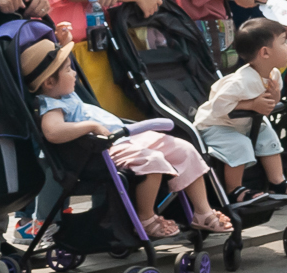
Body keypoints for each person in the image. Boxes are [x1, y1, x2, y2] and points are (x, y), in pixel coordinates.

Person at [29, 25, 234, 237]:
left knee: (184, 148)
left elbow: (57, 70)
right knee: (152, 161)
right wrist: (91, 127)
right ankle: (146, 218)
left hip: (126, 136)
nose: (74, 73)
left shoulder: (63, 92)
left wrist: (63, 43)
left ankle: (202, 212)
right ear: (49, 82)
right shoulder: (51, 104)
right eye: (68, 70)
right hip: (102, 149)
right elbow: (52, 131)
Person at [196, 16, 287, 196]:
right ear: (265, 53)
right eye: (283, 43)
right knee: (240, 144)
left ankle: (277, 181)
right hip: (217, 126)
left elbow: (273, 99)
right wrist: (252, 104)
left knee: (268, 134)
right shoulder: (241, 81)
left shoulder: (274, 74)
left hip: (245, 123)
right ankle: (234, 189)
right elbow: (217, 107)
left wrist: (275, 95)